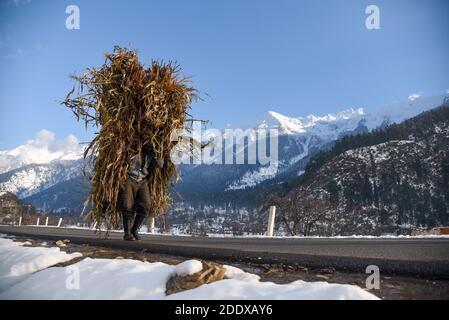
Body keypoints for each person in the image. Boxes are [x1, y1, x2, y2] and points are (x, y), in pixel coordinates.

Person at [119, 143, 163, 241]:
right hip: (129, 178)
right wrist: (131, 154)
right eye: (147, 145)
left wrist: (159, 159)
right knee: (127, 205)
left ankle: (134, 229)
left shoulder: (152, 155)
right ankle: (127, 232)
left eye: (151, 146)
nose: (149, 147)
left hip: (143, 181)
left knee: (146, 205)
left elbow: (159, 166)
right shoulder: (133, 150)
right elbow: (125, 159)